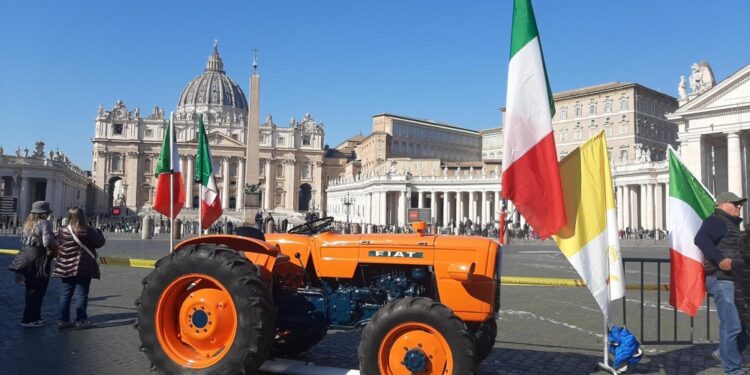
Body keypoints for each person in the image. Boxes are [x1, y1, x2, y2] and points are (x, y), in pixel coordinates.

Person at [695, 191, 748, 375]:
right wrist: (720, 259)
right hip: (721, 279)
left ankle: (723, 353)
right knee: (732, 325)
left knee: (744, 326)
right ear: (723, 204)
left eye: (740, 204)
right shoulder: (716, 221)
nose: (739, 207)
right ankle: (733, 370)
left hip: (735, 279)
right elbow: (700, 239)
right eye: (736, 204)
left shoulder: (732, 225)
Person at [52, 207, 106, 330]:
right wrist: (99, 232)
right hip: (84, 266)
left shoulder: (62, 230)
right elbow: (100, 243)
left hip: (66, 266)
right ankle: (81, 320)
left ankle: (62, 320)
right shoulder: (87, 231)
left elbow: (56, 242)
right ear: (83, 217)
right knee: (81, 293)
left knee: (65, 294)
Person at [9, 201, 57, 327]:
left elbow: (23, 239)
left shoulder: (27, 223)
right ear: (44, 213)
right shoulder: (45, 223)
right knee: (39, 288)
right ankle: (29, 319)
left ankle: (34, 316)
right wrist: (54, 237)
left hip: (27, 254)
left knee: (30, 288)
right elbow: (47, 242)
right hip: (39, 257)